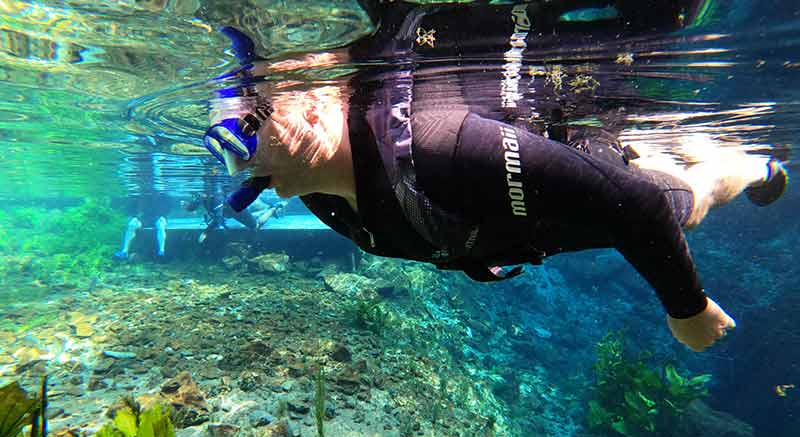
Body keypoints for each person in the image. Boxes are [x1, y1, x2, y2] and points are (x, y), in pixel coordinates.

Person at [204, 0, 789, 352]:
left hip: (573, 189)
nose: (240, 163)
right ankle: (659, 144)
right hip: (525, 196)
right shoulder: (313, 188)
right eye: (227, 151)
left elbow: (640, 210)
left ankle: (745, 164)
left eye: (244, 137)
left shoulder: (442, 148)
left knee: (688, 198)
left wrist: (687, 309)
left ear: (310, 106)